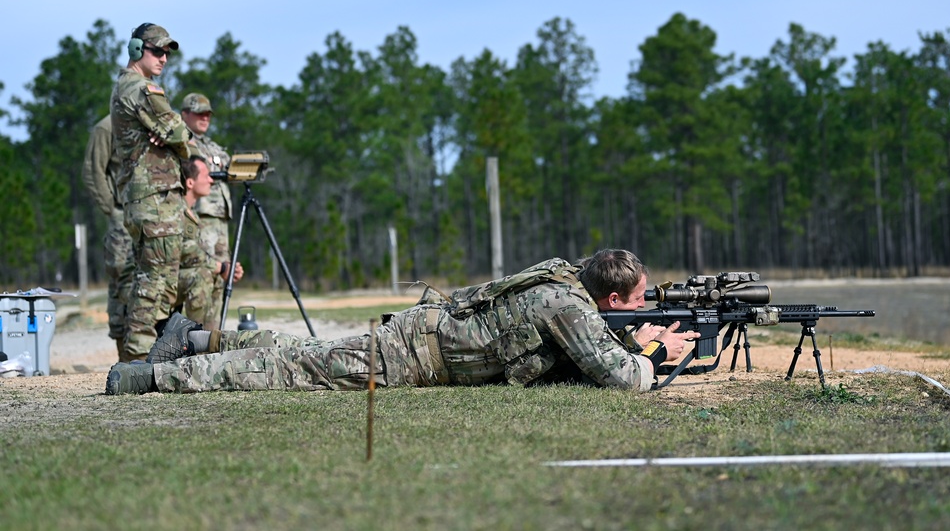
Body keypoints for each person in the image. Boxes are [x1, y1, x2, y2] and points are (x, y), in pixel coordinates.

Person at [105, 248, 698, 395]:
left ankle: (194, 338)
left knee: (302, 349)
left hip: (422, 335)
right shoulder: (571, 309)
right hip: (412, 356)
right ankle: (147, 378)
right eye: (640, 301)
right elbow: (624, 380)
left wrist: (630, 338)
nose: (645, 310)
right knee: (290, 369)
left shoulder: (568, 281)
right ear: (615, 300)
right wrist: (654, 353)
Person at [110, 23, 189, 361]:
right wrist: (173, 134)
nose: (164, 58)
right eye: (157, 51)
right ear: (136, 49)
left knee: (161, 278)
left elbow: (173, 132)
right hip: (152, 197)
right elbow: (180, 131)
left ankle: (150, 353)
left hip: (152, 197)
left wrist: (171, 134)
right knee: (154, 278)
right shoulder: (140, 89)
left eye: (167, 53)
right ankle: (137, 355)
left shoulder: (129, 87)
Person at [81, 113, 134, 361]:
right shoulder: (106, 127)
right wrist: (112, 211)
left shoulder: (149, 123)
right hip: (123, 216)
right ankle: (125, 357)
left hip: (151, 216)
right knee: (122, 282)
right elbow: (92, 171)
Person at [180, 93, 233, 324]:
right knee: (206, 272)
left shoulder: (212, 145)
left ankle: (214, 334)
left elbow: (229, 164)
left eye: (208, 114)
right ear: (185, 115)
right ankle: (199, 338)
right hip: (200, 215)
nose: (205, 118)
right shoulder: (183, 141)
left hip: (220, 216)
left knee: (223, 276)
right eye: (199, 113)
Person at [173, 155, 243, 328]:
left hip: (177, 276)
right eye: (206, 176)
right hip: (164, 278)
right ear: (190, 183)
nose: (212, 180)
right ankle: (194, 340)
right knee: (203, 274)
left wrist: (227, 267)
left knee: (216, 275)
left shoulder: (192, 214)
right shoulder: (175, 211)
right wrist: (222, 267)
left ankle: (209, 340)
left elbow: (198, 253)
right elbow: (186, 251)